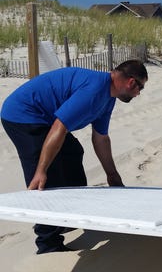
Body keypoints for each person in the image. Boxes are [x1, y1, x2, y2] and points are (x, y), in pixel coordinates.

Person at [1, 59, 148, 254]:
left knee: (72, 153)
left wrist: (112, 174)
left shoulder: (108, 97)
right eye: (141, 88)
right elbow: (59, 128)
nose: (139, 94)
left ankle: (69, 216)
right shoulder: (94, 91)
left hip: (46, 117)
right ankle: (48, 245)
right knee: (47, 177)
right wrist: (41, 169)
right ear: (131, 83)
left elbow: (101, 138)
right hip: (23, 114)